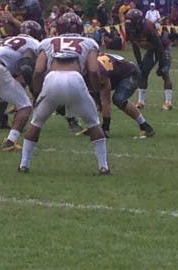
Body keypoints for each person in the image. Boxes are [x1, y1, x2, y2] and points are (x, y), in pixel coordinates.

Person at [19, 31, 110, 175]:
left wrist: (36, 93)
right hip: (75, 79)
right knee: (93, 123)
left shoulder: (47, 42)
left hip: (52, 78)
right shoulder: (89, 42)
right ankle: (103, 166)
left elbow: (38, 70)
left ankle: (24, 164)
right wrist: (95, 93)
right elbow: (93, 70)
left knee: (36, 122)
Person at [0, 21, 41, 150]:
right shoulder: (34, 44)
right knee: (25, 107)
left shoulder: (9, 39)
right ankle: (10, 141)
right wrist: (34, 89)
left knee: (2, 100)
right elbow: (26, 66)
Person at [92, 51, 155, 138]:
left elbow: (106, 100)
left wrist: (105, 127)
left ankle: (145, 127)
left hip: (130, 74)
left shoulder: (98, 70)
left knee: (118, 99)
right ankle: (95, 126)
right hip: (116, 74)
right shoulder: (92, 64)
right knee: (95, 99)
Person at [123, 8, 174, 110]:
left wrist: (161, 64)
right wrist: (140, 62)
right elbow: (135, 46)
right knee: (142, 73)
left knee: (164, 72)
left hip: (162, 48)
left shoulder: (148, 27)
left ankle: (168, 102)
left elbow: (159, 46)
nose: (129, 23)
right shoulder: (130, 28)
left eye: (131, 20)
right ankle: (140, 101)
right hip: (151, 49)